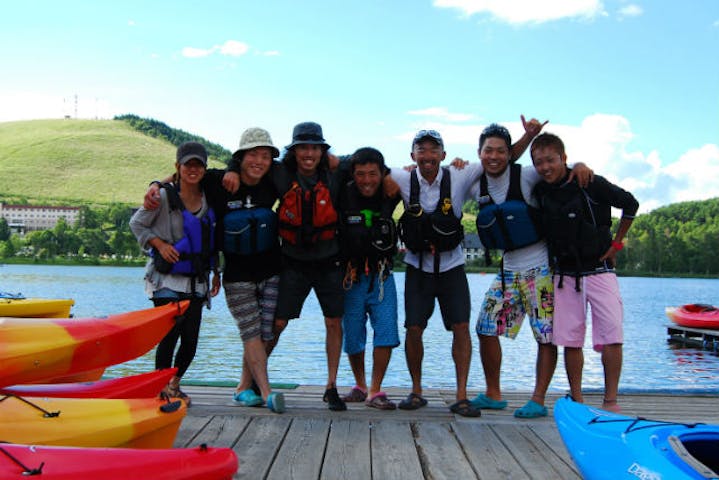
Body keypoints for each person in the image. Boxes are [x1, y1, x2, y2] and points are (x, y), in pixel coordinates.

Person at [390, 118, 542, 417]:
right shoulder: (401, 177)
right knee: (413, 328)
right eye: (421, 150)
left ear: (444, 155)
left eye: (434, 150)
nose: (428, 156)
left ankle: (461, 395)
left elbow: (498, 159)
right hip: (417, 268)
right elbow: (363, 170)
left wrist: (528, 136)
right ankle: (416, 391)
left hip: (452, 267)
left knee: (460, 328)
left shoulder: (460, 174)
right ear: (412, 156)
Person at [143, 129, 286, 413]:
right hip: (237, 273)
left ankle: (243, 388)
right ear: (240, 157)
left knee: (268, 331)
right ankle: (268, 393)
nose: (259, 161)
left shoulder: (274, 181)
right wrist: (156, 184)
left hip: (271, 269)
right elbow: (185, 175)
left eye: (265, 155)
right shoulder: (219, 181)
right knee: (251, 332)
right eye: (253, 154)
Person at [469, 124, 592, 418]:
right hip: (508, 271)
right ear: (480, 153)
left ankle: (537, 399)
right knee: (486, 328)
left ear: (510, 153)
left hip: (541, 272)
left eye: (501, 150)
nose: (494, 156)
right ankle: (494, 393)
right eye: (489, 151)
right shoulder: (476, 184)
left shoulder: (524, 175)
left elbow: (557, 167)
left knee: (545, 337)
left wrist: (581, 165)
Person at [224, 121, 348, 411]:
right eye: (303, 147)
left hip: (329, 260)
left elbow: (366, 162)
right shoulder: (280, 172)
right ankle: (251, 382)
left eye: (314, 148)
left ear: (321, 150)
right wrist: (231, 167)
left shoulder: (335, 172)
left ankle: (331, 386)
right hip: (292, 261)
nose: (309, 153)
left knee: (334, 322)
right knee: (276, 324)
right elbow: (243, 158)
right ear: (294, 151)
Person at [530, 132, 638, 413]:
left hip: (600, 271)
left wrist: (616, 244)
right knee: (570, 340)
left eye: (550, 160)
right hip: (564, 276)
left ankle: (610, 401)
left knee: (613, 336)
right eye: (539, 163)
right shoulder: (541, 190)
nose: (545, 168)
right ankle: (577, 399)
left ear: (563, 158)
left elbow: (631, 204)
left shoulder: (589, 182)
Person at [130, 141, 221, 406]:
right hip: (166, 280)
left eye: (198, 164)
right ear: (177, 167)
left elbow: (210, 239)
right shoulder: (162, 196)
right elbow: (136, 224)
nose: (193, 169)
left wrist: (217, 272)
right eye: (187, 164)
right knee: (169, 336)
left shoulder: (208, 196)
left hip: (196, 280)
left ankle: (174, 384)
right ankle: (160, 388)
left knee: (190, 341)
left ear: (204, 168)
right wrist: (159, 244)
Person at [337, 147, 401, 409]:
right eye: (361, 174)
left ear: (381, 172)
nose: (367, 180)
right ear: (353, 174)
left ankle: (375, 389)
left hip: (383, 275)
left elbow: (415, 172)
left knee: (385, 331)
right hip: (350, 276)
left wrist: (388, 175)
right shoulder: (342, 193)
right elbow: (333, 164)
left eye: (373, 174)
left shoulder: (390, 192)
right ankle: (360, 385)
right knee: (352, 333)